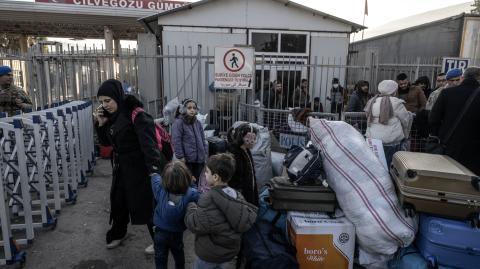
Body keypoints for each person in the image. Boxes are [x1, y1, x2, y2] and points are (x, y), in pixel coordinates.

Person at [95, 79, 166, 253]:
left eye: (108, 100)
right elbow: (106, 143)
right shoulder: (111, 115)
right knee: (119, 202)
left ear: (117, 97)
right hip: (121, 167)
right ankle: (119, 233)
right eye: (101, 101)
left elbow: (150, 147)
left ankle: (160, 241)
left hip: (140, 168)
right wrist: (101, 124)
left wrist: (154, 173)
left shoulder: (137, 114)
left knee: (147, 205)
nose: (105, 105)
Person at [185, 153, 257, 269]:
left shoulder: (208, 199)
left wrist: (191, 208)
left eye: (207, 172)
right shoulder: (237, 196)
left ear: (215, 177)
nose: (204, 174)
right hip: (229, 254)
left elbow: (196, 225)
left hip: (209, 255)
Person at [429, 67, 480, 175]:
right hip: (475, 150)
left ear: (463, 77)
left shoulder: (447, 93)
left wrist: (441, 134)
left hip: (449, 145)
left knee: (449, 178)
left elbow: (433, 119)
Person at [151, 161, 199, 269]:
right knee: (178, 254)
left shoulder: (160, 190)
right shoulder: (190, 192)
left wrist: (154, 174)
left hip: (160, 232)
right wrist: (192, 184)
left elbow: (155, 180)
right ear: (186, 177)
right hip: (177, 232)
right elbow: (199, 196)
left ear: (165, 179)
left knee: (160, 257)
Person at [365, 80, 412, 167]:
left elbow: (367, 116)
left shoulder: (372, 101)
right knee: (390, 166)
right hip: (391, 141)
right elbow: (405, 120)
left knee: (376, 166)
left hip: (373, 140)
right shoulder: (396, 103)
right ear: (394, 90)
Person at [172, 98, 208, 181]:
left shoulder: (197, 122)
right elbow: (176, 141)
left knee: (198, 180)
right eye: (189, 108)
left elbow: (203, 139)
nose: (192, 110)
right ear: (183, 109)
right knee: (188, 181)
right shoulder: (178, 123)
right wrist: (181, 157)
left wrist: (204, 153)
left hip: (199, 159)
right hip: (187, 160)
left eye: (194, 108)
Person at [227, 123, 259, 206]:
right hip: (241, 194)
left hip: (248, 188)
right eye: (248, 139)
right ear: (241, 137)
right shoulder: (235, 153)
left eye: (253, 139)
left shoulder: (246, 150)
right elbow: (236, 177)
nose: (251, 142)